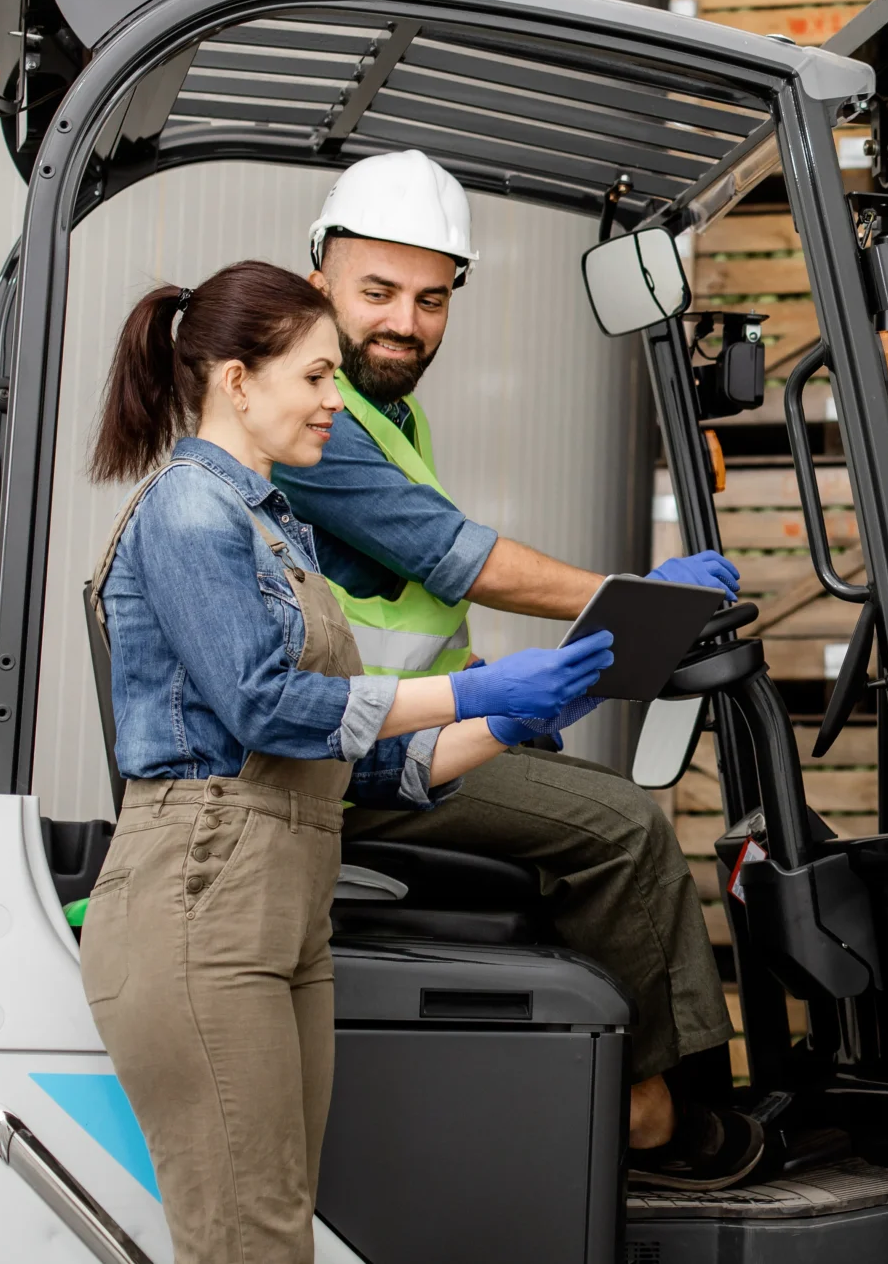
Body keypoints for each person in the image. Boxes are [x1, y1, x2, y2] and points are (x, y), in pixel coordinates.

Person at [78, 260, 617, 1264]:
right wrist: (477, 689)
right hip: (204, 898)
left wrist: (519, 717)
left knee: (279, 1227)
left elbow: (350, 764)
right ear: (237, 380)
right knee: (250, 1243)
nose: (337, 402)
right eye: (316, 377)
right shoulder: (190, 512)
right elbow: (267, 708)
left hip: (286, 895)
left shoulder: (276, 530)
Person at [268, 149, 758, 1187]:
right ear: (318, 278)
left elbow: (406, 603)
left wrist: (496, 686)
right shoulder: (315, 423)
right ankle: (649, 1113)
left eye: (431, 299)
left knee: (596, 804)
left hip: (396, 731)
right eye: (378, 293)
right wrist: (640, 602)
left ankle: (655, 1081)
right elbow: (465, 560)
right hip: (349, 761)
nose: (405, 321)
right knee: (622, 826)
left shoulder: (389, 415)